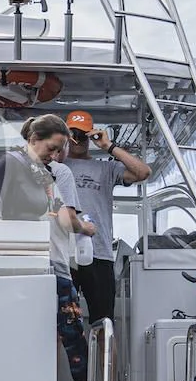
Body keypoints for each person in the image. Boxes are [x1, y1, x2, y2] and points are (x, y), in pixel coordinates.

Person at [0, 115, 128, 381]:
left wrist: (84, 227)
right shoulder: (9, 162)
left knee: (74, 340)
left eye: (60, 149)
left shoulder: (47, 173)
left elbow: (63, 215)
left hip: (55, 267)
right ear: (34, 138)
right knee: (51, 341)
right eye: (53, 147)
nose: (56, 154)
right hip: (27, 269)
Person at [60, 110, 150, 329]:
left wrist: (108, 146)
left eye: (83, 134)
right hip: (64, 255)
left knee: (104, 326)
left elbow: (143, 172)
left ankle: (107, 364)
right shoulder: (57, 166)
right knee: (59, 325)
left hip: (99, 254)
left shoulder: (106, 167)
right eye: (73, 134)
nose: (78, 140)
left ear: (91, 135)